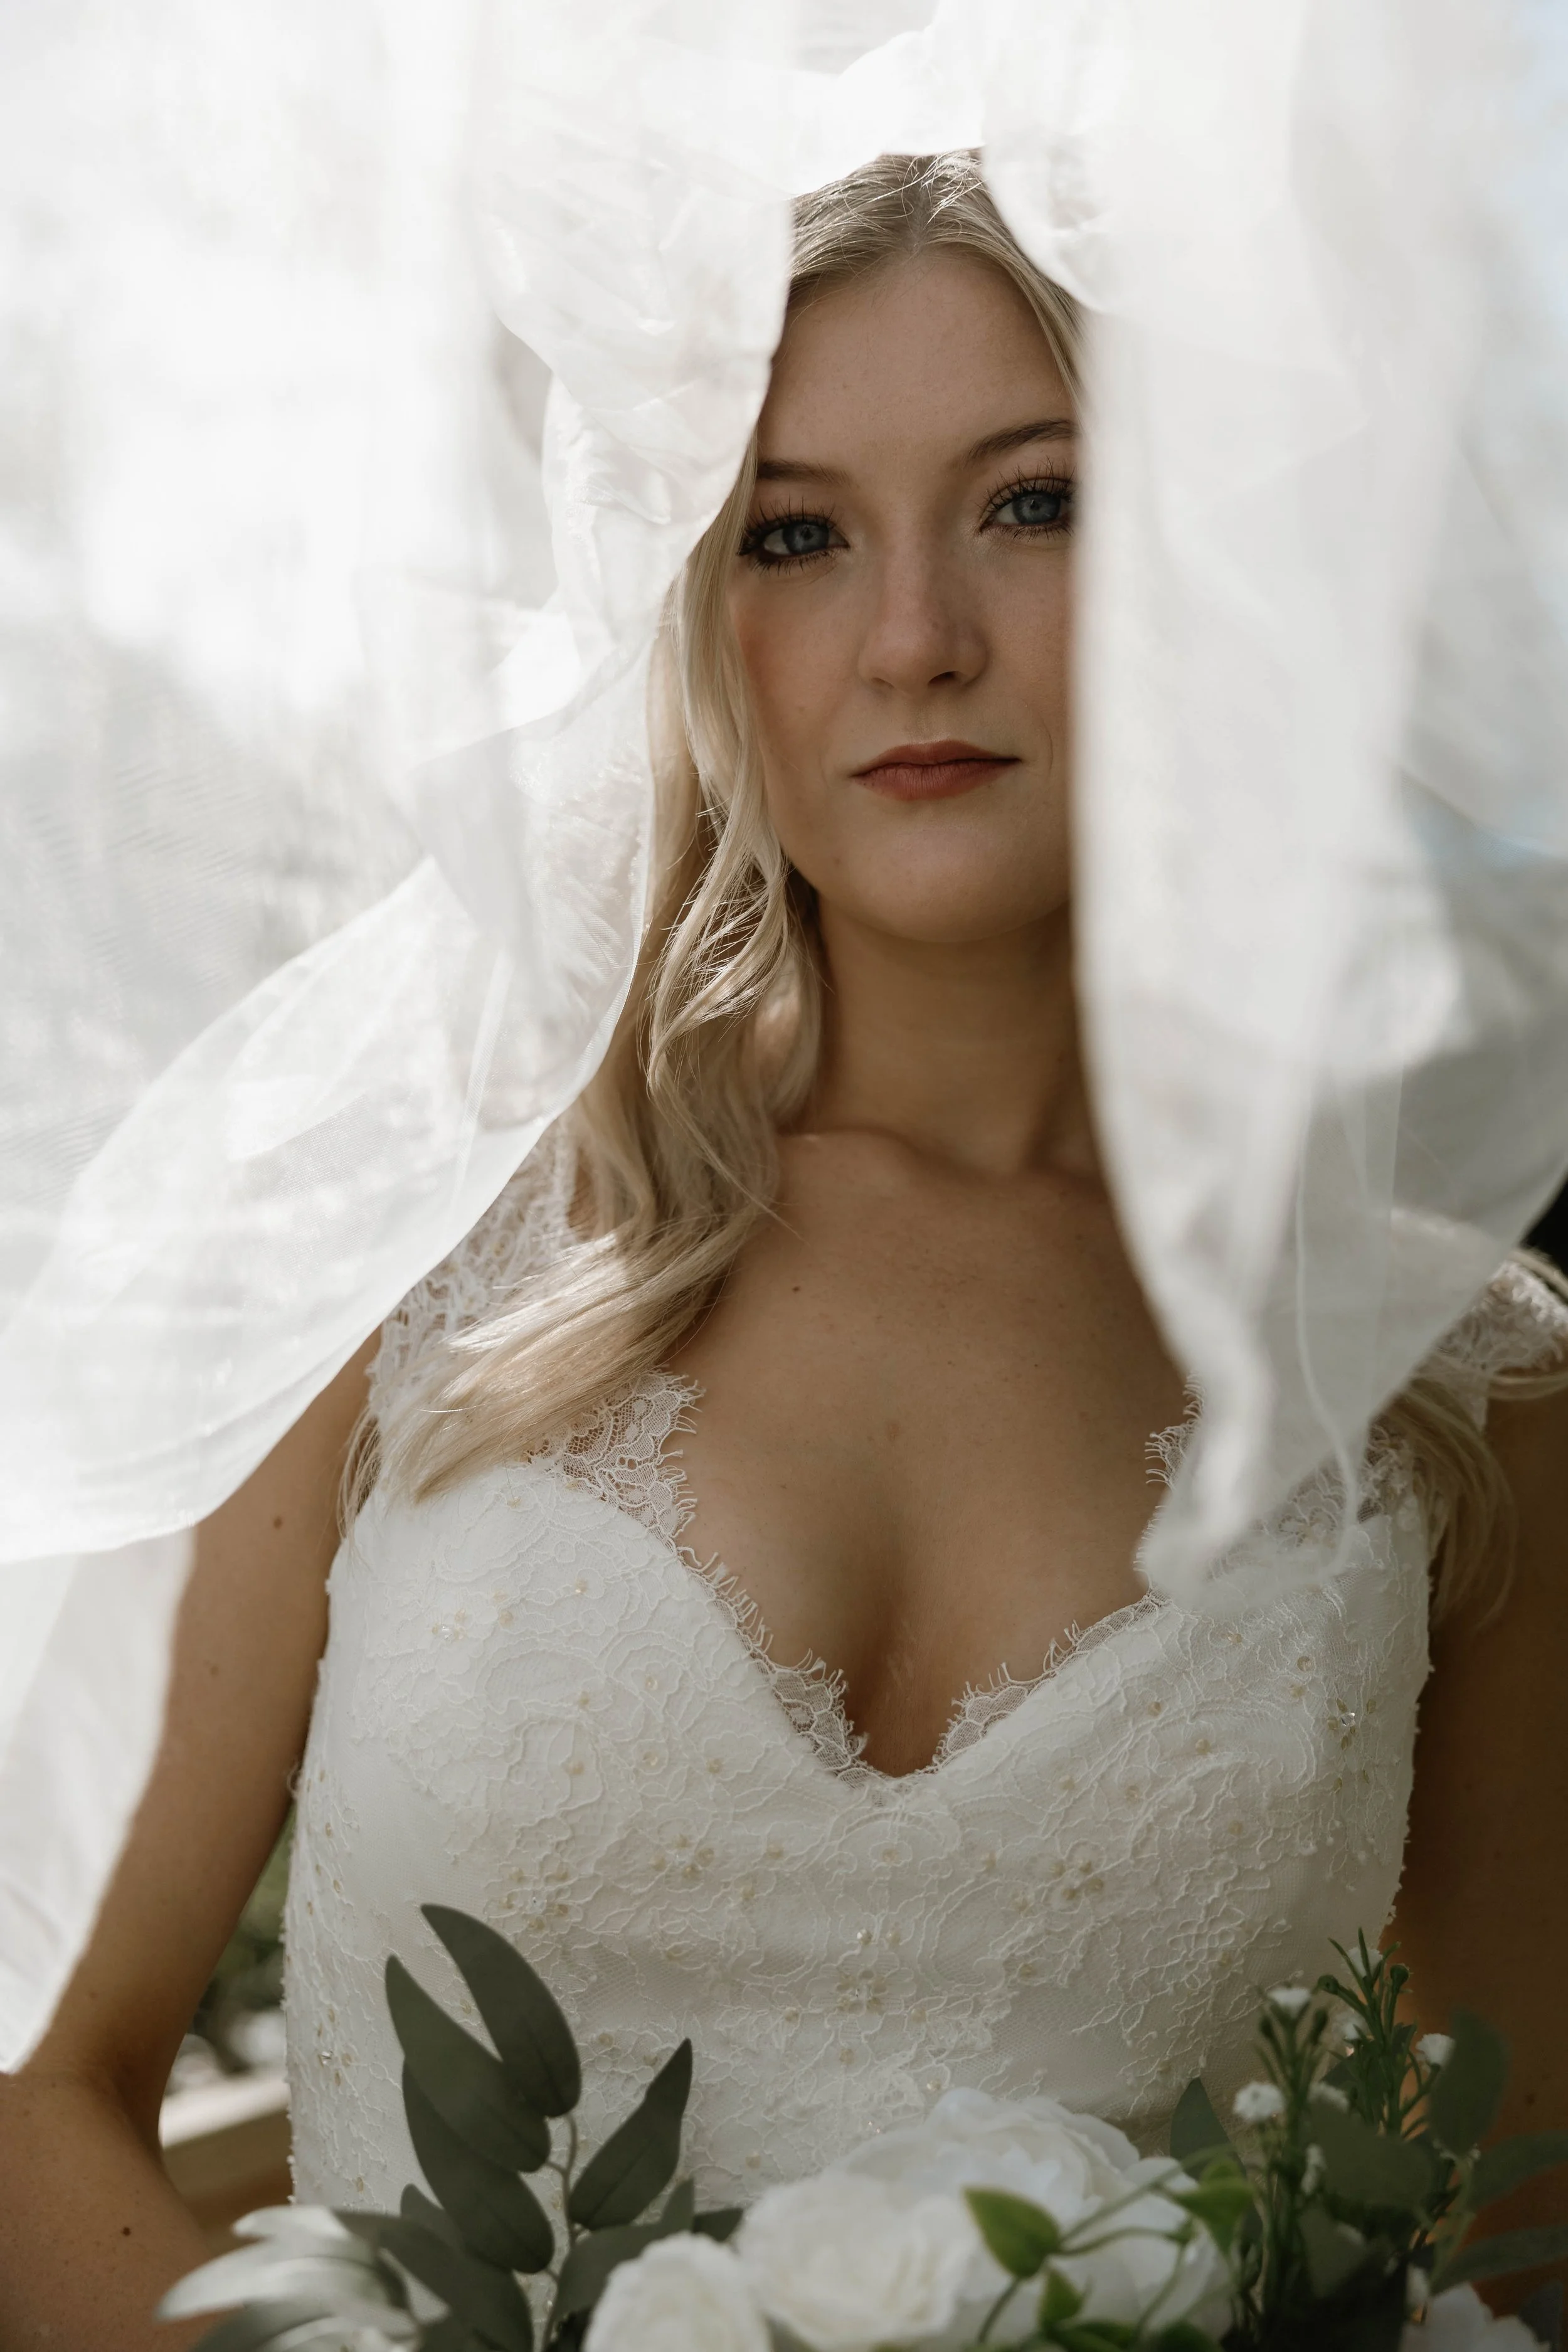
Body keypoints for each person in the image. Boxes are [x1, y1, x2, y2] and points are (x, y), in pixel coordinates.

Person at [1, 153, 1565, 2348]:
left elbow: (1496, 2243)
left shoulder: (1444, 1375)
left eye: (1034, 502)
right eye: (795, 533)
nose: (913, 633)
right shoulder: (391, 1235)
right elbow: (29, 2095)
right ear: (685, 594)